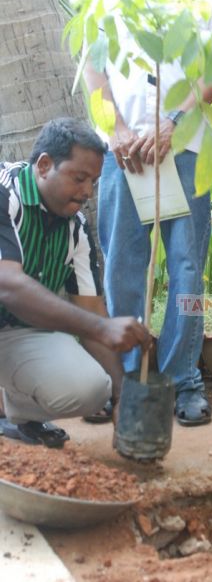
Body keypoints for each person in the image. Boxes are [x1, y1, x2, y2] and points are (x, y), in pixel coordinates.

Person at [84, 0, 212, 427]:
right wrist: (119, 131)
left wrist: (174, 120)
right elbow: (95, 70)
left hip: (189, 149)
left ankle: (180, 380)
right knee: (124, 271)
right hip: (124, 155)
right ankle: (127, 379)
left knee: (186, 270)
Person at [0, 118, 153, 448]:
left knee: (89, 388)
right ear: (44, 166)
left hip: (13, 332)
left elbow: (91, 316)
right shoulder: (4, 193)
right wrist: (102, 328)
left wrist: (121, 391)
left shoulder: (76, 229)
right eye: (79, 178)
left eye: (94, 182)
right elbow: (7, 284)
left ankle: (19, 412)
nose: (87, 192)